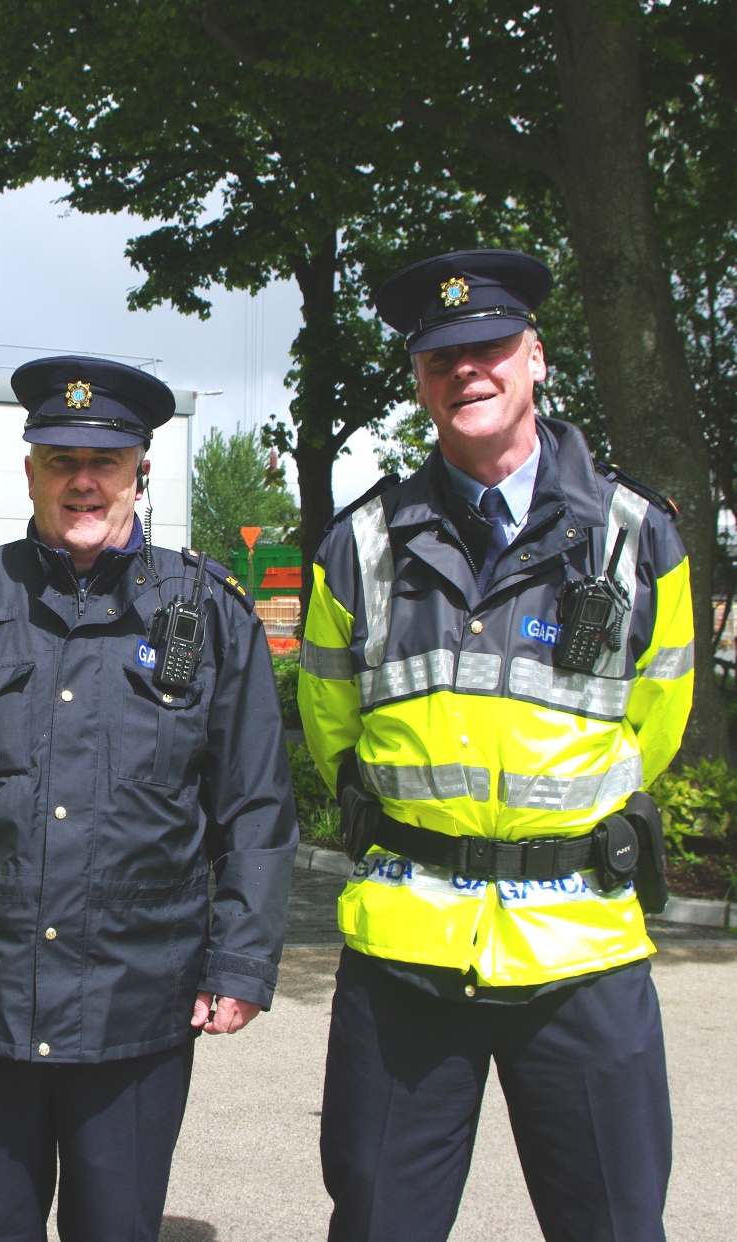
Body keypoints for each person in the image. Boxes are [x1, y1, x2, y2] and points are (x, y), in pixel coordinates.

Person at [0, 355, 298, 1242]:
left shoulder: (208, 613)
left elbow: (254, 804)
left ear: (141, 469)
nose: (83, 480)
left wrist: (240, 961)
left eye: (105, 460)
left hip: (137, 1018)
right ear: (30, 471)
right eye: (60, 460)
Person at [300, 249, 693, 1242]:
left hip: (583, 954)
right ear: (421, 381)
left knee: (613, 1225)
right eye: (441, 357)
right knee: (380, 1224)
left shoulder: (639, 538)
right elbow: (331, 730)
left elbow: (657, 725)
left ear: (536, 358)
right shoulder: (361, 546)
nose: (467, 369)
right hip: (407, 961)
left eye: (489, 347)